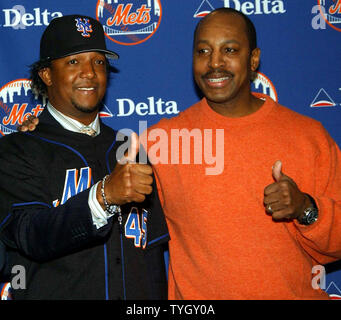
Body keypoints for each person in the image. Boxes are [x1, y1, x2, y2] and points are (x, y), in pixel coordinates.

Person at [18, 8, 341, 300]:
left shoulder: (308, 136)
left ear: (253, 59)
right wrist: (42, 129)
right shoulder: (157, 142)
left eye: (229, 50)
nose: (215, 63)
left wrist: (306, 208)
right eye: (203, 51)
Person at [0, 15, 169, 300]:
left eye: (98, 62)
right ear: (47, 75)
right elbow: (31, 236)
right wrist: (104, 196)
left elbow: (151, 256)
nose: (90, 72)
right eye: (73, 61)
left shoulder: (128, 147)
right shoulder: (17, 151)